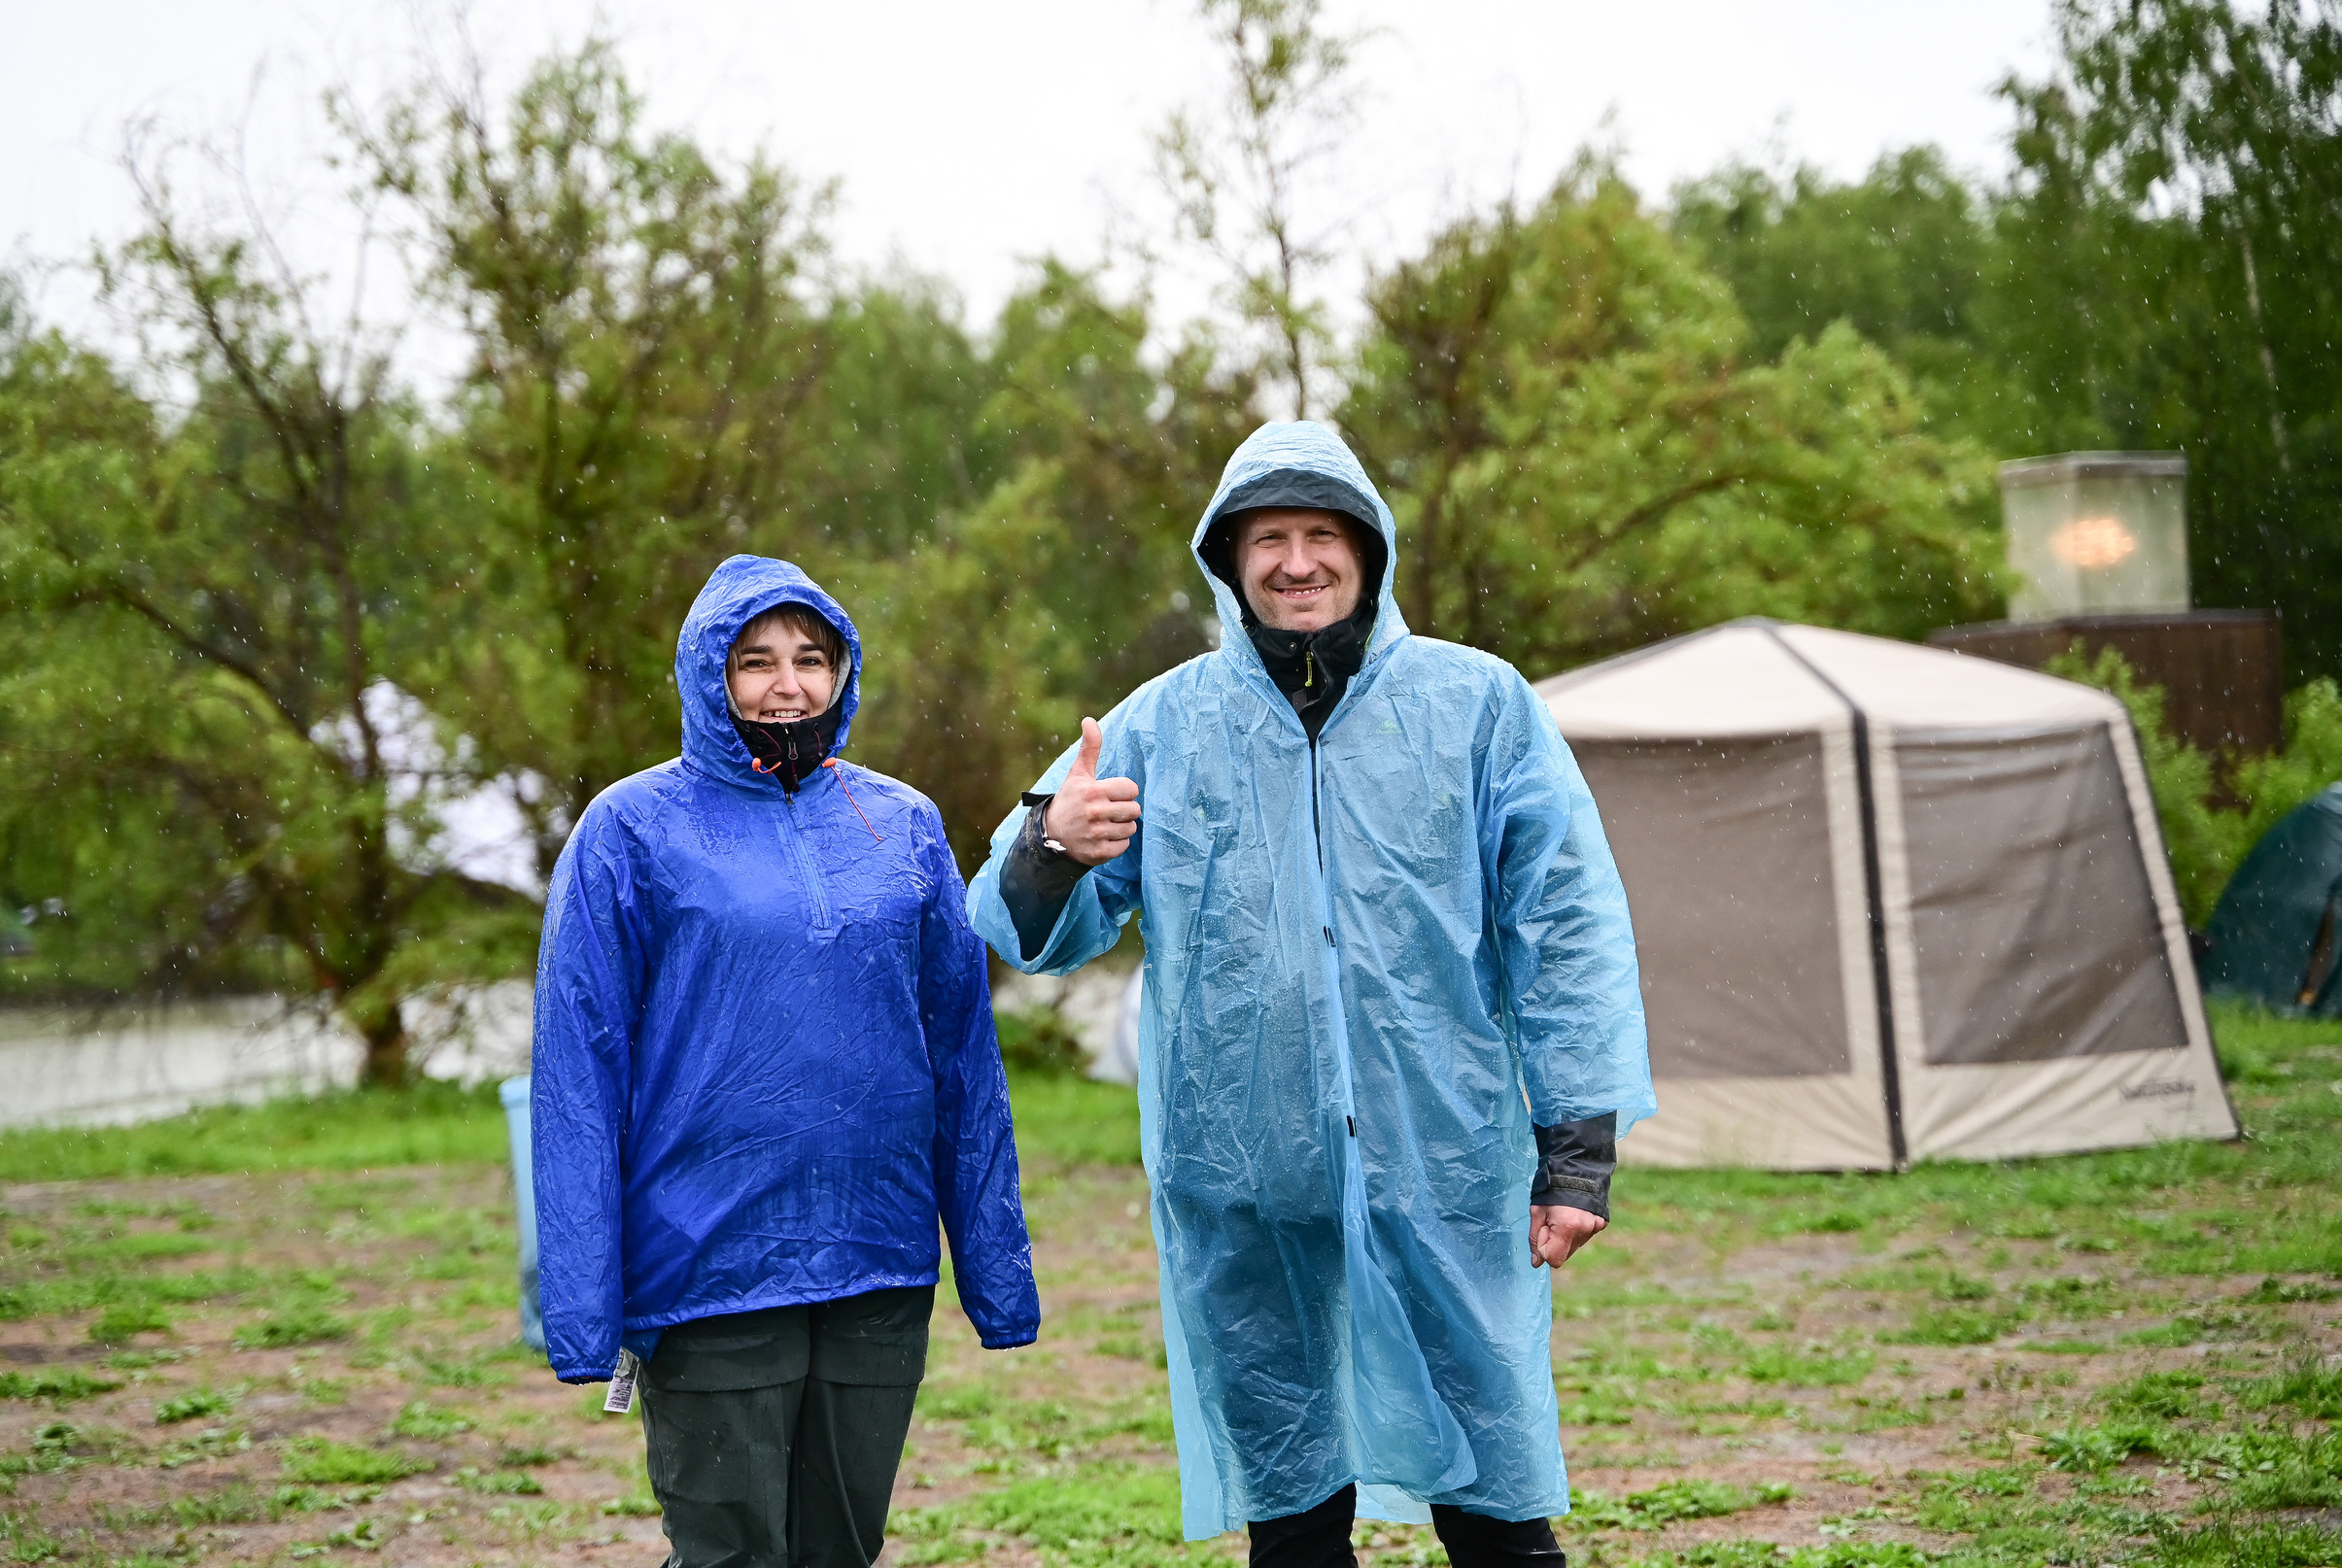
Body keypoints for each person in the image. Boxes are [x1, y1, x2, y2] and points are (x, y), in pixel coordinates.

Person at [966, 423, 1653, 1568]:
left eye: (1321, 534)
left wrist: (1575, 1150)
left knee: (1494, 1498)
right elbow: (1017, 926)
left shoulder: (1477, 706)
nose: (1296, 562)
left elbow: (1564, 926)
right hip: (1244, 1180)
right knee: (1290, 1514)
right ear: (1227, 561)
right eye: (1268, 539)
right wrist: (1052, 846)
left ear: (1368, 550)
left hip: (1442, 1163)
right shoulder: (1159, 725)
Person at [534, 555, 1039, 1568]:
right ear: (707, 674)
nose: (788, 685)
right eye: (755, 660)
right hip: (707, 1265)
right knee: (728, 1554)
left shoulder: (903, 825)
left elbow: (963, 1064)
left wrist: (994, 1274)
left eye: (812, 658)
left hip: (877, 1256)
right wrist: (585, 1308)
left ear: (843, 671)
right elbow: (577, 1078)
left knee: (842, 1549)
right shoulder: (628, 831)